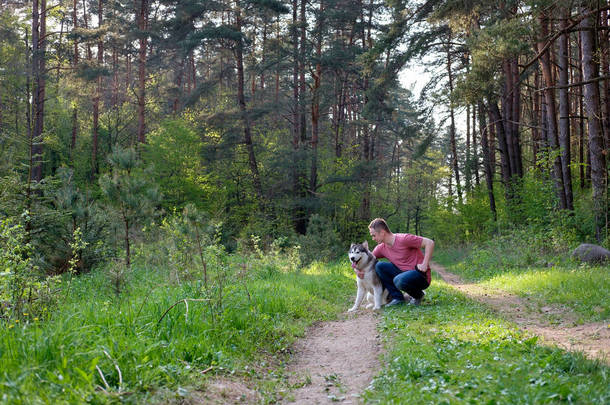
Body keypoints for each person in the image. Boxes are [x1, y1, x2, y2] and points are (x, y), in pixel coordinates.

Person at [364, 218, 434, 307]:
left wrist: (424, 264)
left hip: (420, 275)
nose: (373, 238)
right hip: (403, 274)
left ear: (382, 232)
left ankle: (418, 295)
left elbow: (430, 243)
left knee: (399, 280)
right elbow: (368, 260)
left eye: (374, 235)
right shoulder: (381, 248)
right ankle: (398, 298)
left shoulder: (404, 239)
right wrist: (358, 270)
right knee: (379, 266)